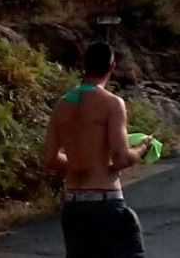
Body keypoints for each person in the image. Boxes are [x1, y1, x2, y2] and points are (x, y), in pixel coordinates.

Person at [43, 42, 153, 258]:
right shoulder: (112, 104)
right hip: (105, 203)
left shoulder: (62, 104)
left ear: (83, 65)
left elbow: (49, 158)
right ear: (112, 66)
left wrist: (77, 162)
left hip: (73, 205)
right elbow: (121, 158)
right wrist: (142, 148)